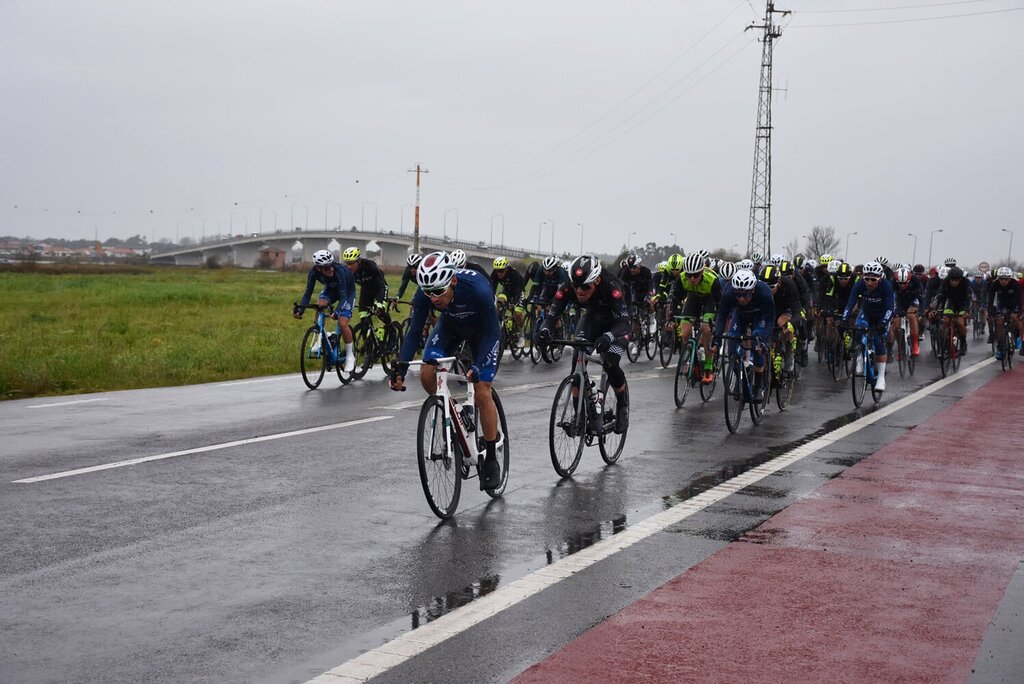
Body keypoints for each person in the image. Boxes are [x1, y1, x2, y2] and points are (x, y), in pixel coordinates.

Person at [390, 252, 504, 490]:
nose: (433, 298)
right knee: (426, 373)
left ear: (452, 281)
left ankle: (491, 457)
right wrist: (400, 366)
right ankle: (455, 415)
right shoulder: (426, 294)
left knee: (482, 390)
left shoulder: (478, 289)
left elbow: (494, 333)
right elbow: (414, 332)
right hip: (451, 327)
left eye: (439, 291)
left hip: (483, 333)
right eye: (428, 292)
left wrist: (478, 364)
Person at [537, 255, 631, 433]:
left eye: (585, 287)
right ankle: (578, 415)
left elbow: (624, 323)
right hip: (593, 317)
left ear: (597, 281)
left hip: (617, 322)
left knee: (610, 362)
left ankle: (622, 406)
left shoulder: (611, 287)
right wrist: (545, 331)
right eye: (576, 286)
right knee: (578, 360)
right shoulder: (569, 286)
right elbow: (552, 315)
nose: (579, 291)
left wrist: (609, 337)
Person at [712, 269, 775, 399]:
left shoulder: (764, 291)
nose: (741, 298)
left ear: (752, 290)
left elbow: (770, 318)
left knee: (757, 346)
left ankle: (758, 385)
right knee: (732, 343)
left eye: (745, 295)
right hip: (740, 316)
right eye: (738, 295)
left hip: (760, 317)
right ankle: (741, 376)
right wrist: (717, 340)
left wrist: (764, 341)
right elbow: (722, 316)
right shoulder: (729, 291)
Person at [294, 249, 357, 372]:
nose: (331, 269)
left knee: (343, 323)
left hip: (347, 293)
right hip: (331, 290)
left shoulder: (339, 271)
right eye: (327, 268)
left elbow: (343, 297)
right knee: (320, 304)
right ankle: (321, 337)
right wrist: (300, 311)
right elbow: (308, 293)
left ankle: (350, 356)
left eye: (331, 266)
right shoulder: (313, 273)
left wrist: (337, 311)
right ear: (318, 268)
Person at [667, 252, 722, 382]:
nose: (692, 278)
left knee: (706, 328)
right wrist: (671, 317)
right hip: (692, 299)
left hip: (709, 300)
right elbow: (674, 300)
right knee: (685, 333)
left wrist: (716, 322)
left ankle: (708, 365)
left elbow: (719, 304)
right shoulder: (681, 278)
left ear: (702, 271)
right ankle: (693, 357)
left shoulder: (713, 280)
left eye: (696, 275)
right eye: (689, 275)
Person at [841, 261, 895, 391]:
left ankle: (881, 378)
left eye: (873, 280)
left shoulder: (886, 286)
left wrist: (883, 323)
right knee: (859, 328)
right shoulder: (859, 284)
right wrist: (844, 320)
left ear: (880, 278)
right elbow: (850, 303)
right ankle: (861, 354)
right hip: (867, 312)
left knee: (877, 341)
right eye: (867, 279)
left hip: (882, 315)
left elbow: (889, 308)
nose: (869, 283)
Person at [342, 246, 391, 326]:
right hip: (366, 291)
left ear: (359, 261)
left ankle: (391, 328)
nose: (349, 266)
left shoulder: (370, 266)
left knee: (379, 311)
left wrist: (379, 303)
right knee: (363, 317)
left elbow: (381, 283)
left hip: (379, 288)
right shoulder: (347, 271)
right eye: (347, 263)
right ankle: (370, 336)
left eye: (351, 263)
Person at [987, 266, 1023, 359]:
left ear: (1010, 278)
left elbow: (1019, 299)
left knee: (1016, 319)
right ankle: (1000, 346)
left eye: (1006, 279)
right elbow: (990, 298)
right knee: (999, 322)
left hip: (1014, 303)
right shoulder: (994, 284)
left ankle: (1021, 340)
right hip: (1002, 304)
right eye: (1001, 279)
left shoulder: (1015, 284)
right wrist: (990, 310)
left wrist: (1020, 311)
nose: (1003, 281)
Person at [937, 266, 970, 354]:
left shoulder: (966, 282)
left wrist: (967, 310)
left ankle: (963, 342)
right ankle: (944, 340)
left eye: (956, 280)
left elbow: (968, 297)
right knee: (945, 320)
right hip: (950, 302)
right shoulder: (945, 282)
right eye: (952, 280)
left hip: (962, 303)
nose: (954, 282)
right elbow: (941, 296)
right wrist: (937, 308)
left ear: (960, 279)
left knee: (960, 322)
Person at [891, 266, 923, 356]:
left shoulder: (915, 280)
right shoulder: (893, 281)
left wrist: (921, 312)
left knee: (911, 316)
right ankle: (900, 347)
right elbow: (888, 297)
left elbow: (922, 298)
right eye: (900, 283)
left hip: (913, 300)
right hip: (900, 301)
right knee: (896, 324)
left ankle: (915, 344)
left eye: (905, 283)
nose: (902, 285)